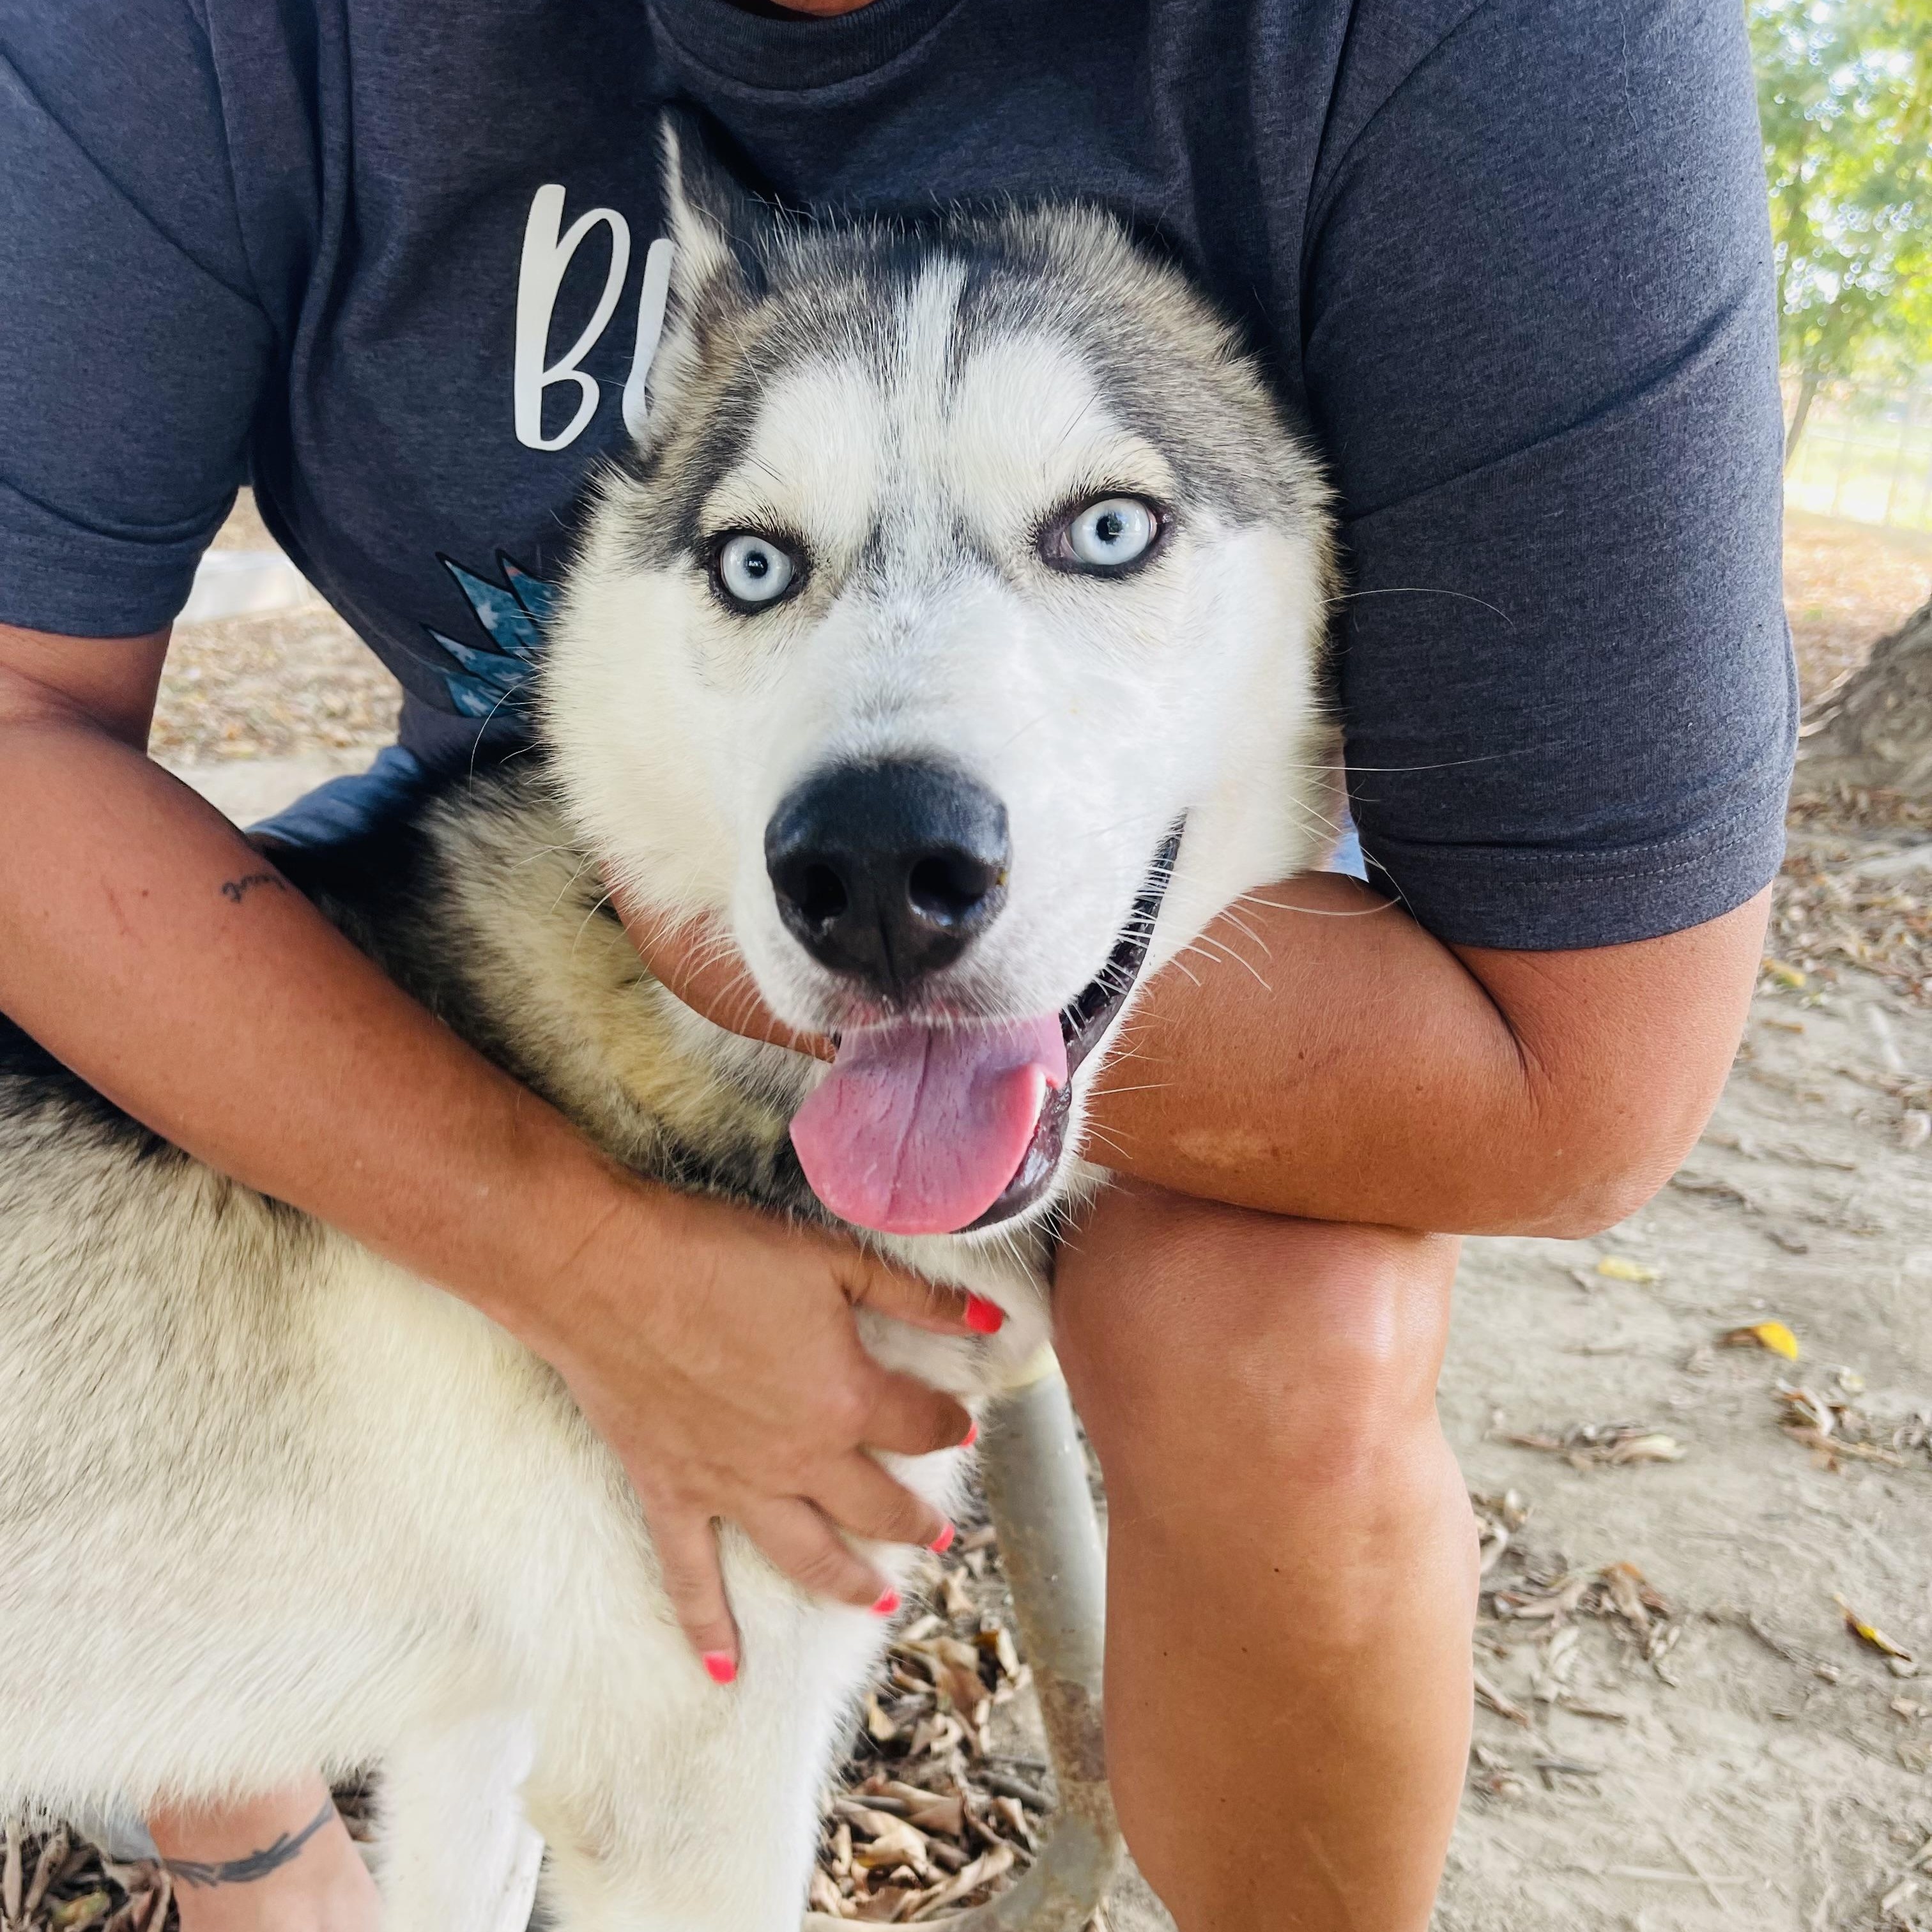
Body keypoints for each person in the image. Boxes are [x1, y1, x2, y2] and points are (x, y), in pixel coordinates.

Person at [0, 0, 1791, 1924]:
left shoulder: (1488, 59)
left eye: (1108, 529)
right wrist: (580, 1254)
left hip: (906, 957)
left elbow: (1587, 1090)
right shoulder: (192, 37)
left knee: (1292, 1340)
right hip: (522, 911)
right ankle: (247, 1830)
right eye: (763, 557)